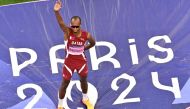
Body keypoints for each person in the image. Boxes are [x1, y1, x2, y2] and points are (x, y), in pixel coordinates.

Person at [54, 0, 96, 109]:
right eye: (73, 26)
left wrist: (83, 49)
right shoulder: (68, 32)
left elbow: (93, 43)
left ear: (80, 25)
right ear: (71, 25)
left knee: (83, 81)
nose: (75, 29)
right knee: (64, 84)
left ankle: (85, 99)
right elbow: (61, 23)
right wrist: (56, 12)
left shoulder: (86, 35)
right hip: (69, 63)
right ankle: (60, 106)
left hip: (81, 63)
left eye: (77, 27)